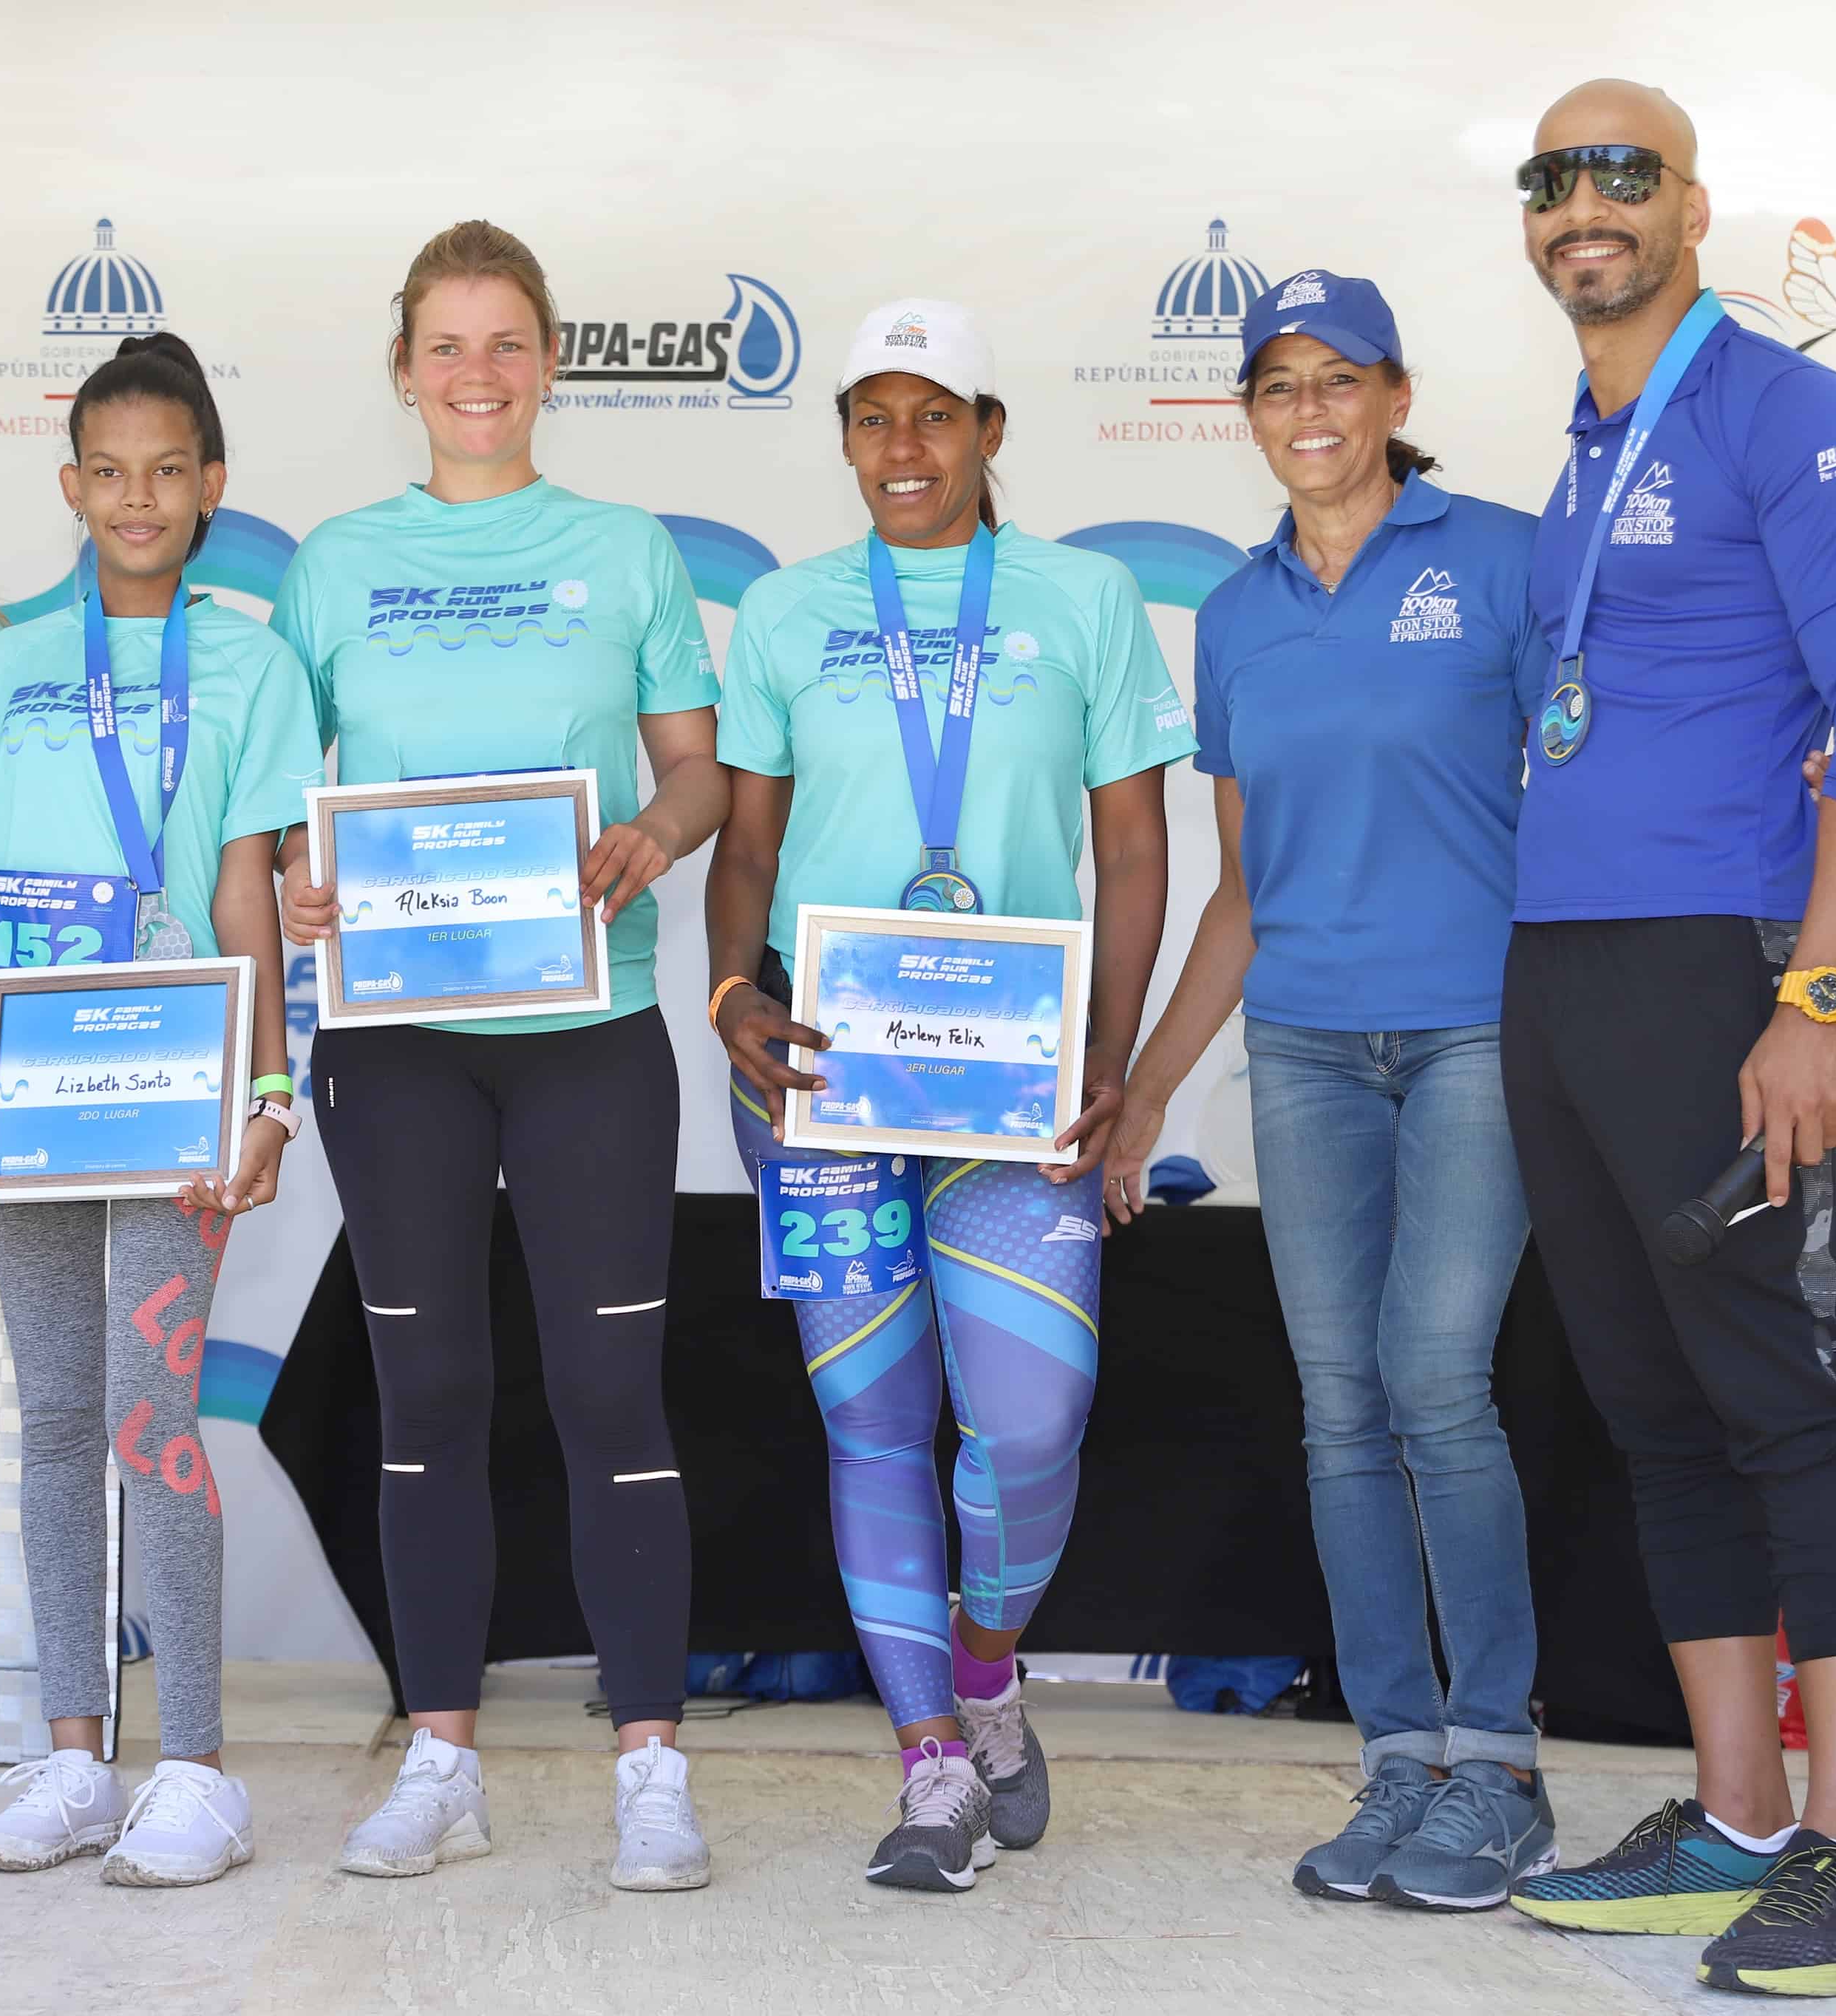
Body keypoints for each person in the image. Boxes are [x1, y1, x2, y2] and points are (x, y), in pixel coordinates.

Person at [1495, 82, 1836, 1998]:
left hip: (1720, 978)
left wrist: (1816, 998)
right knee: (1651, 1412)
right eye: (1550, 179)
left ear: (1689, 205)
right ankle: (1737, 1820)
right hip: (1562, 978)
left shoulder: (1793, 413)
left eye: (1620, 173)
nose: (1580, 204)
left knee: (1785, 1404)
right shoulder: (1585, 441)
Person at [708, 299, 1189, 1892]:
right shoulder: (784, 610)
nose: (900, 450)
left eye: (934, 417)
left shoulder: (1086, 596)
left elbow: (1131, 845)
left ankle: (986, 1670)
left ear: (989, 430)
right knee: (871, 1423)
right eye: (870, 418)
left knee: (1030, 1425)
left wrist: (1115, 1051)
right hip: (832, 1084)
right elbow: (753, 845)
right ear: (842, 434)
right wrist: (730, 994)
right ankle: (928, 1761)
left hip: (1020, 1087)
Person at [272, 219, 727, 1892]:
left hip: (585, 1032)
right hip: (395, 1049)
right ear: (403, 371)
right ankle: (442, 1758)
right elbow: (267, 797)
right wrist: (286, 879)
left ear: (549, 362)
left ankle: (651, 1770)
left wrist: (650, 839)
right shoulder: (328, 563)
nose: (477, 374)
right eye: (445, 346)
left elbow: (696, 772)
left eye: (506, 342)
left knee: (610, 1392)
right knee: (428, 1393)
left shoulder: (625, 551)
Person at [1105, 274, 1555, 1910]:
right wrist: (1149, 1085)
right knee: (1340, 1403)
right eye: (1276, 380)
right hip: (1299, 1040)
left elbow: (1593, 778)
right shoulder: (1232, 615)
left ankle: (1497, 1769)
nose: (1307, 406)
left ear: (1393, 394)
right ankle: (1397, 1761)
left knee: (1436, 1377)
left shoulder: (1505, 556)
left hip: (1474, 1035)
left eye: (1338, 377)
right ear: (1250, 410)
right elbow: (1242, 887)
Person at [0, 332, 318, 1888]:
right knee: (57, 1418)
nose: (139, 495)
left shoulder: (254, 667)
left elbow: (248, 894)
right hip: (32, 1086)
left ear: (211, 483)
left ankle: (199, 1768)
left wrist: (272, 1092)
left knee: (157, 1419)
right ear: (74, 482)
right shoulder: (7, 663)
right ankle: (77, 1751)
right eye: (111, 469)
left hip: (176, 1077)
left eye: (170, 468)